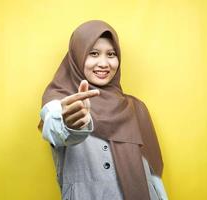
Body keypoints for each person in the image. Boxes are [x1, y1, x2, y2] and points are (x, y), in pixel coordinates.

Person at [38, 20, 168, 200]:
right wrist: (70, 123)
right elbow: (54, 128)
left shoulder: (135, 107)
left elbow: (153, 176)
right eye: (93, 53)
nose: (104, 63)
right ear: (78, 55)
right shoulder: (60, 100)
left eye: (111, 54)